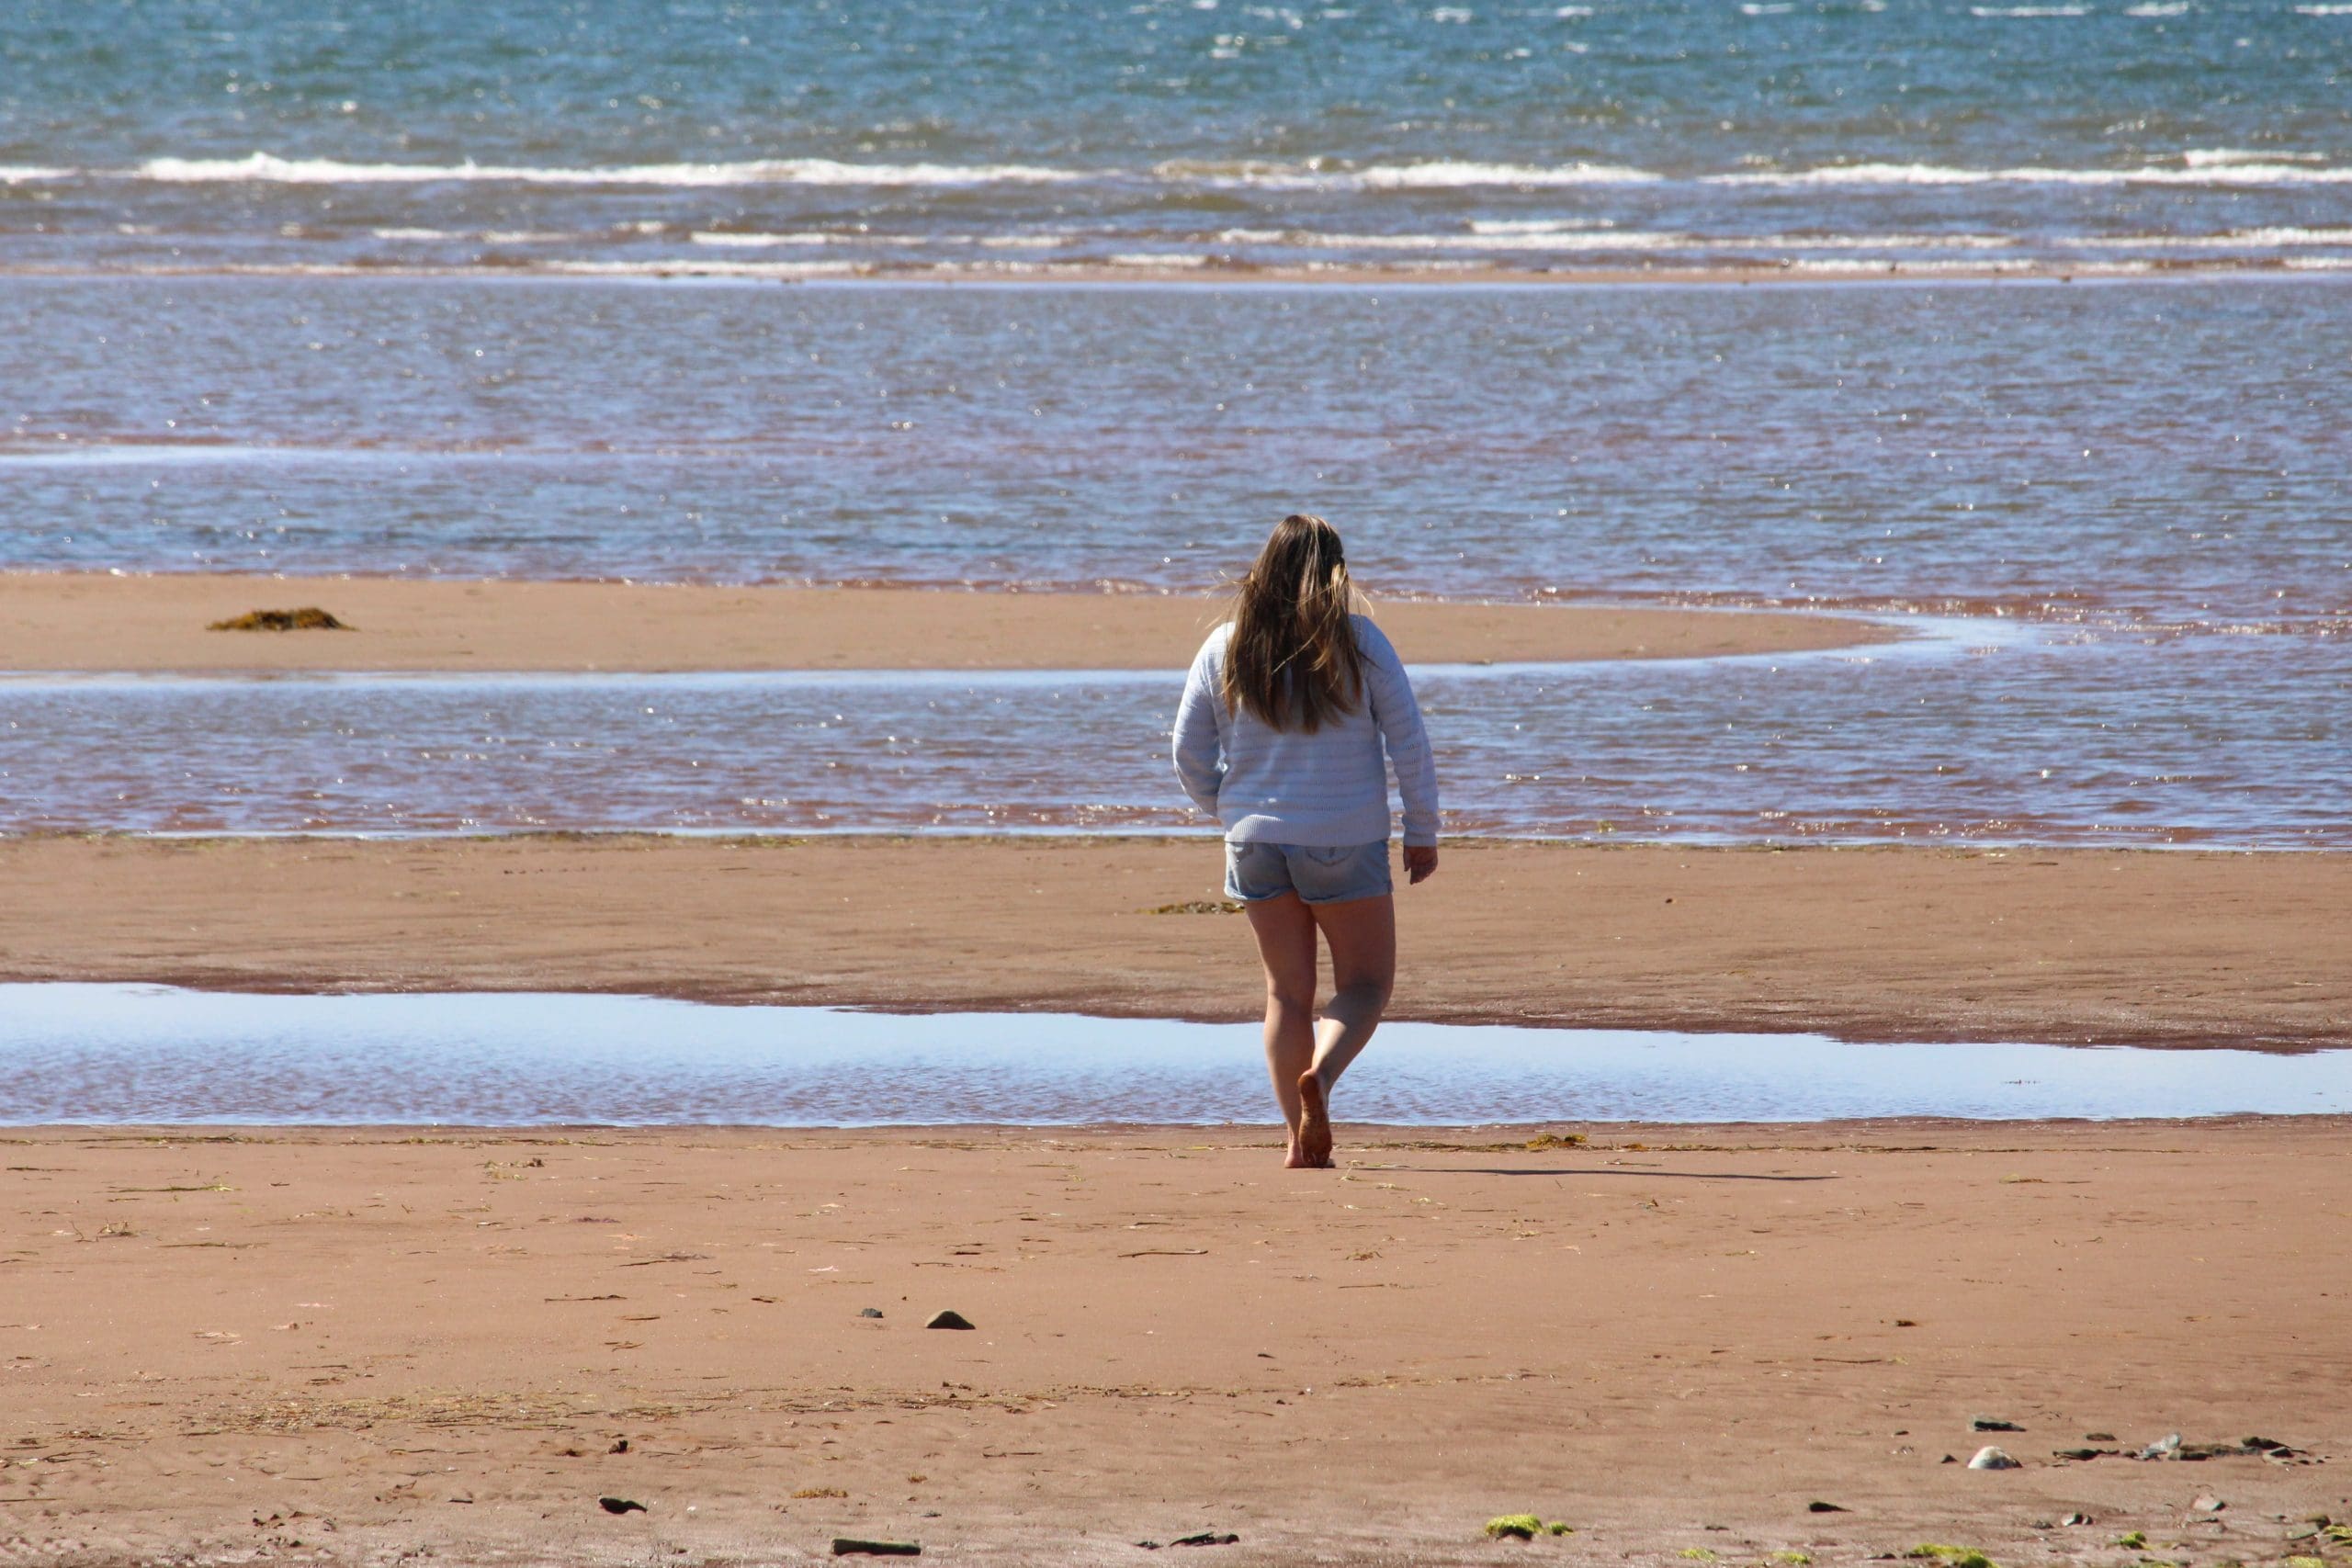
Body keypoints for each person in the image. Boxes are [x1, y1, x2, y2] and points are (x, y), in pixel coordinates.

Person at [1171, 513, 1440, 1169]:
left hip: (1255, 840)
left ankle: (1298, 1141)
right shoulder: (1362, 643)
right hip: (1343, 836)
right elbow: (1410, 744)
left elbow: (1186, 750)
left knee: (1286, 995)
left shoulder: (1227, 647)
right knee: (1367, 983)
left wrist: (1227, 807)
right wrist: (1422, 830)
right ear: (1335, 575)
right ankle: (1321, 1075)